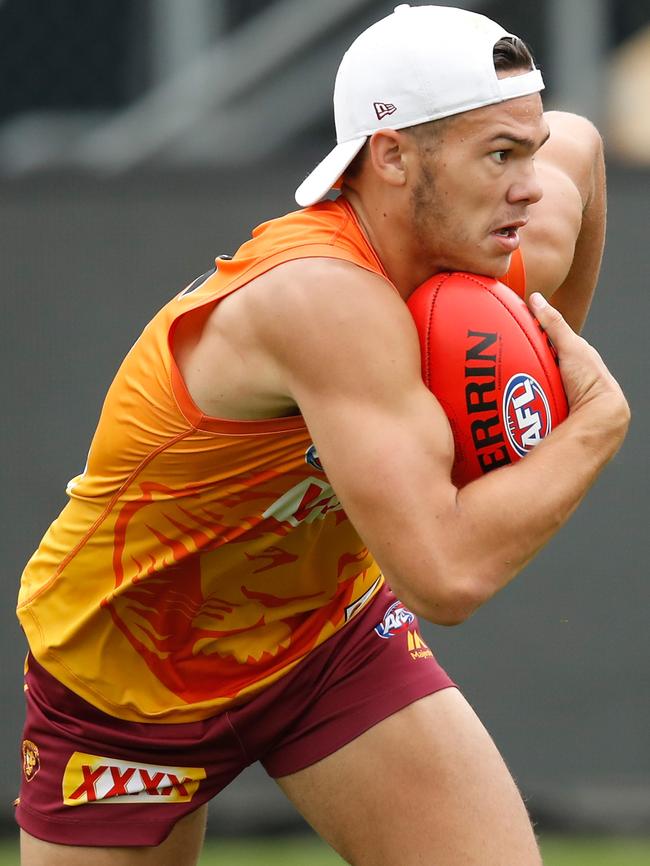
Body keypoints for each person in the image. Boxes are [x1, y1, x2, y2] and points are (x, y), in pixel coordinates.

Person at [16, 5, 629, 865]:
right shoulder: (320, 296)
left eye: (523, 150)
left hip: (322, 640)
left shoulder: (508, 242)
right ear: (390, 156)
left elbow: (582, 148)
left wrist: (535, 357)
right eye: (498, 154)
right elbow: (445, 578)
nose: (528, 183)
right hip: (132, 672)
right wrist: (589, 426)